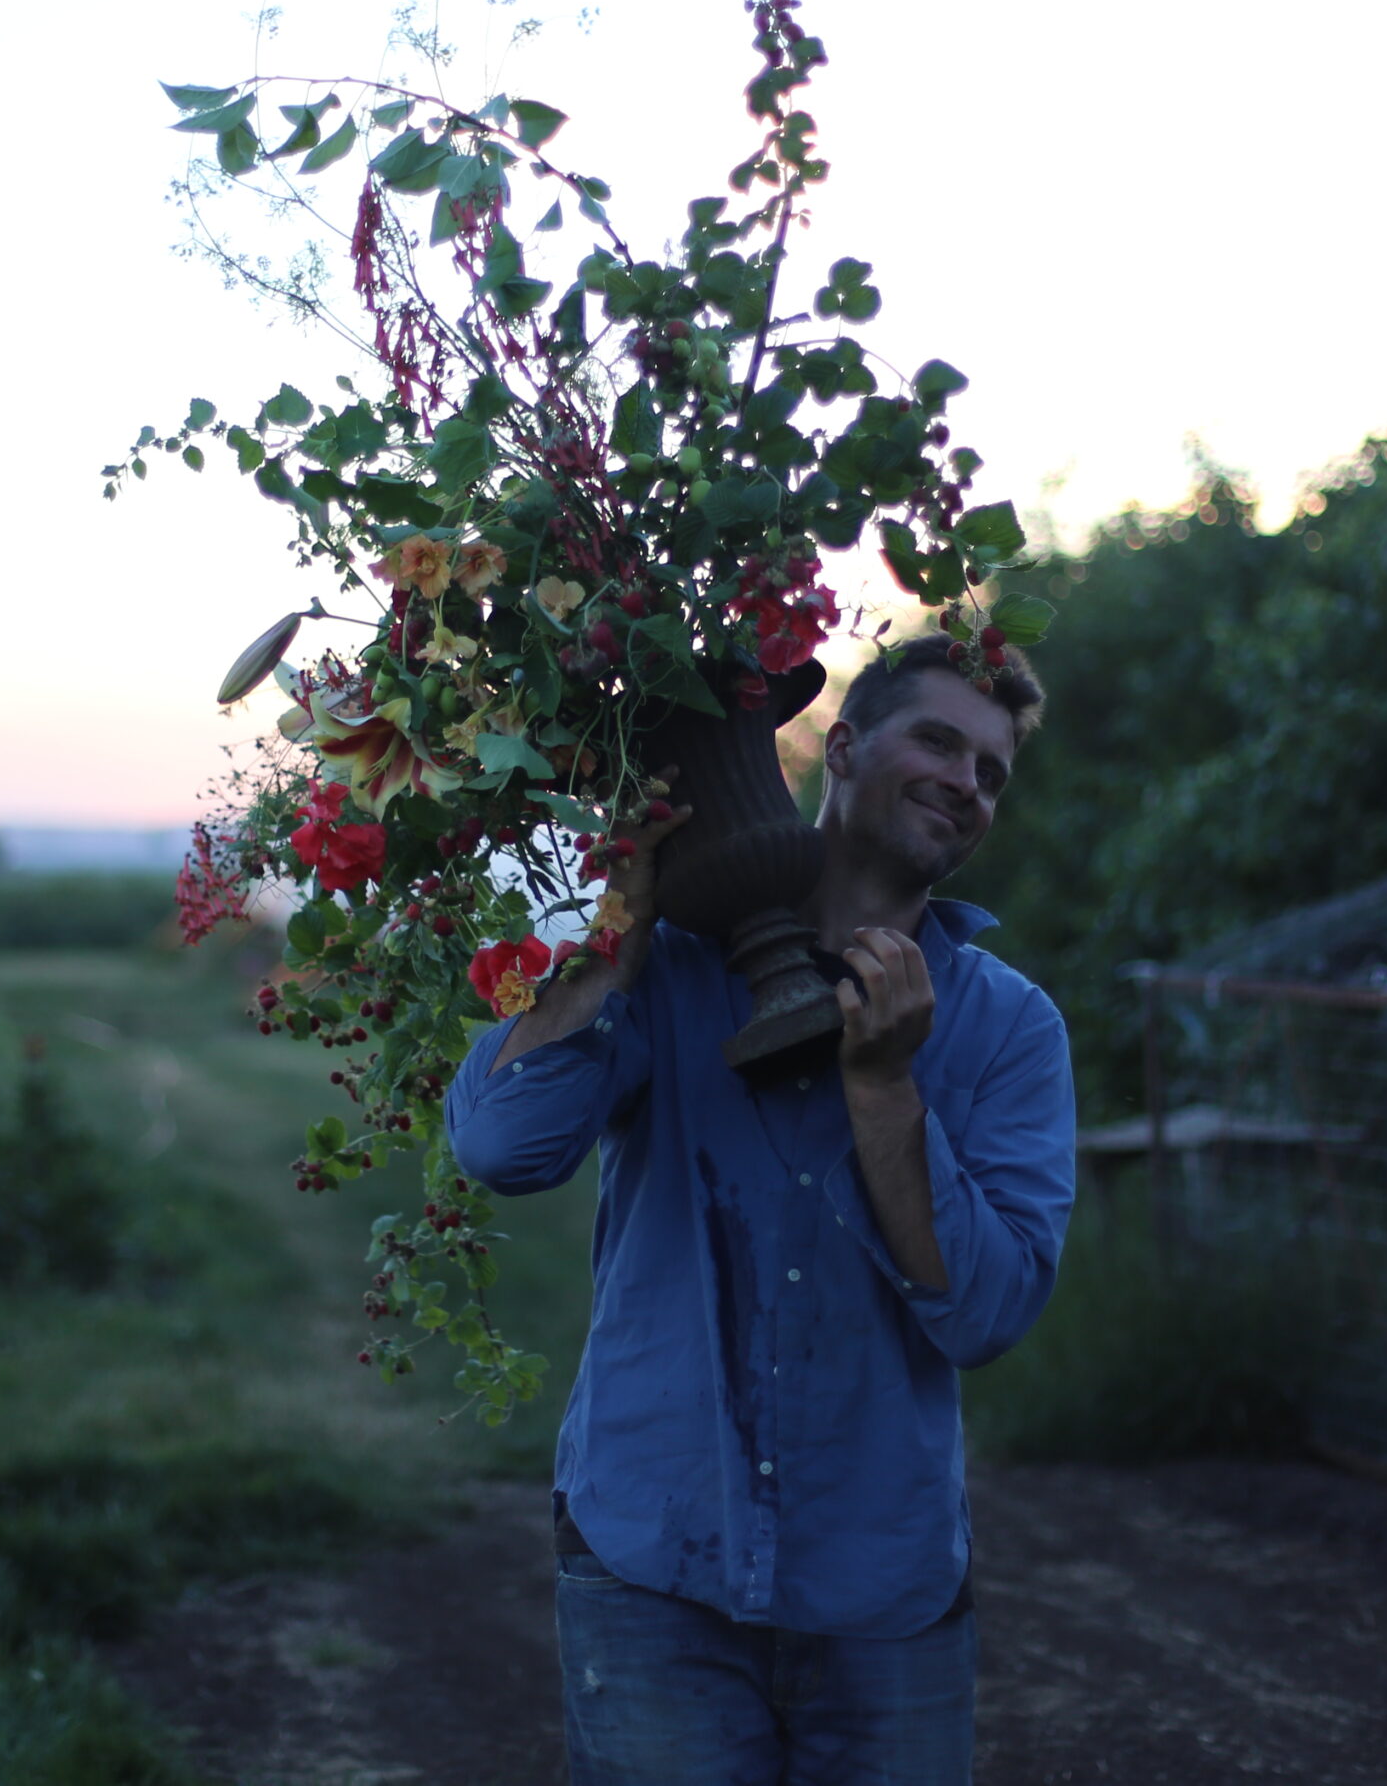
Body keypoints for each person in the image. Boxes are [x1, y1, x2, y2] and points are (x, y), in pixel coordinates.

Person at [448, 635, 1078, 1785]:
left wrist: (885, 1086)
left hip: (882, 1591)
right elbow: (499, 1145)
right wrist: (622, 929)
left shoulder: (1008, 1025)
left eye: (992, 770)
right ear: (839, 744)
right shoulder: (670, 968)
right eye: (938, 738)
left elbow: (984, 1314)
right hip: (651, 1562)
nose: (966, 782)